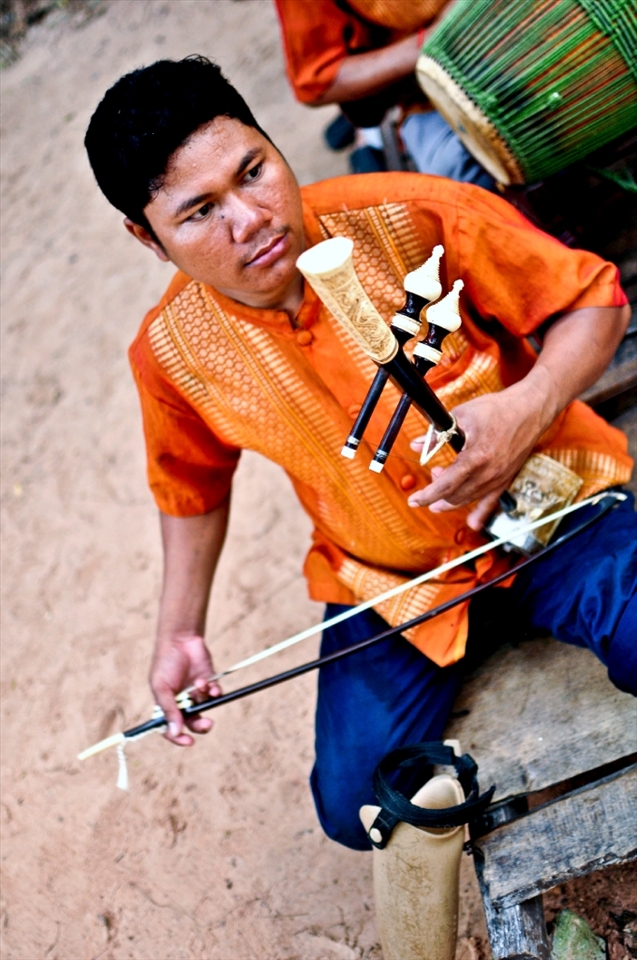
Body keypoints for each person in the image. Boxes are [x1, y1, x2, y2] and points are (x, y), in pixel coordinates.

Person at [84, 56, 635, 851]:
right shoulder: (171, 354)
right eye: (199, 211)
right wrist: (179, 629)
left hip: (551, 506)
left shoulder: (411, 216)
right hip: (394, 578)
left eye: (253, 171)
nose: (251, 219)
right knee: (359, 809)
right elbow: (191, 486)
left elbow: (593, 299)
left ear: (274, 145)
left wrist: (526, 407)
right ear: (147, 237)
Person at [273, 0, 495, 186]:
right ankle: (367, 141)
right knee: (464, 183)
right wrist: (430, 40)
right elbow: (318, 80)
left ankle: (366, 138)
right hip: (433, 94)